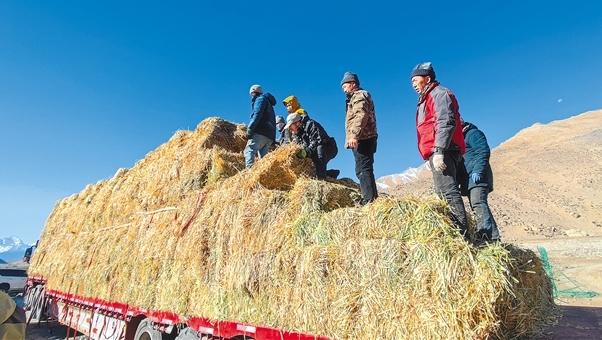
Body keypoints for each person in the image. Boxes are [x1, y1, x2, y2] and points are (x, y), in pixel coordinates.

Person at [410, 62, 469, 239]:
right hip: (436, 151)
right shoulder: (425, 99)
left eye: (416, 79)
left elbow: (446, 122)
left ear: (427, 79)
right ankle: (454, 234)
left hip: (445, 149)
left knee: (448, 193)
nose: (413, 84)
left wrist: (439, 150)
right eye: (411, 80)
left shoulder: (439, 94)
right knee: (442, 193)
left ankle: (462, 237)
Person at [458, 120, 501, 244]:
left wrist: (478, 170)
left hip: (478, 177)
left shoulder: (472, 133)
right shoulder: (461, 139)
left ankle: (487, 237)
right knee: (477, 204)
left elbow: (483, 151)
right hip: (470, 179)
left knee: (478, 203)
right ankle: (493, 236)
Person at [341, 72, 378, 205]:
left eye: (345, 86)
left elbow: (360, 115)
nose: (344, 89)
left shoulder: (358, 95)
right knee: (366, 168)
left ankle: (368, 201)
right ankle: (373, 199)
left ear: (353, 84)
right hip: (366, 136)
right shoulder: (355, 97)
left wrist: (354, 135)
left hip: (363, 137)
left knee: (362, 169)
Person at [284, 113, 338, 179]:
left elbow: (318, 141)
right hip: (312, 152)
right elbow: (297, 146)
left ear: (297, 123)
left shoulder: (311, 124)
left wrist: (306, 152)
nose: (290, 129)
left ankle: (321, 179)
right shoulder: (295, 134)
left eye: (291, 126)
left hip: (328, 147)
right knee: (311, 170)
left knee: (319, 149)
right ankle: (331, 174)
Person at [244, 85, 277, 168]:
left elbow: (257, 114)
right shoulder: (269, 103)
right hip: (269, 135)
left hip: (261, 132)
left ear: (254, 93)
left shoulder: (260, 99)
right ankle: (263, 177)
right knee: (263, 159)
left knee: (249, 151)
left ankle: (249, 175)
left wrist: (250, 129)